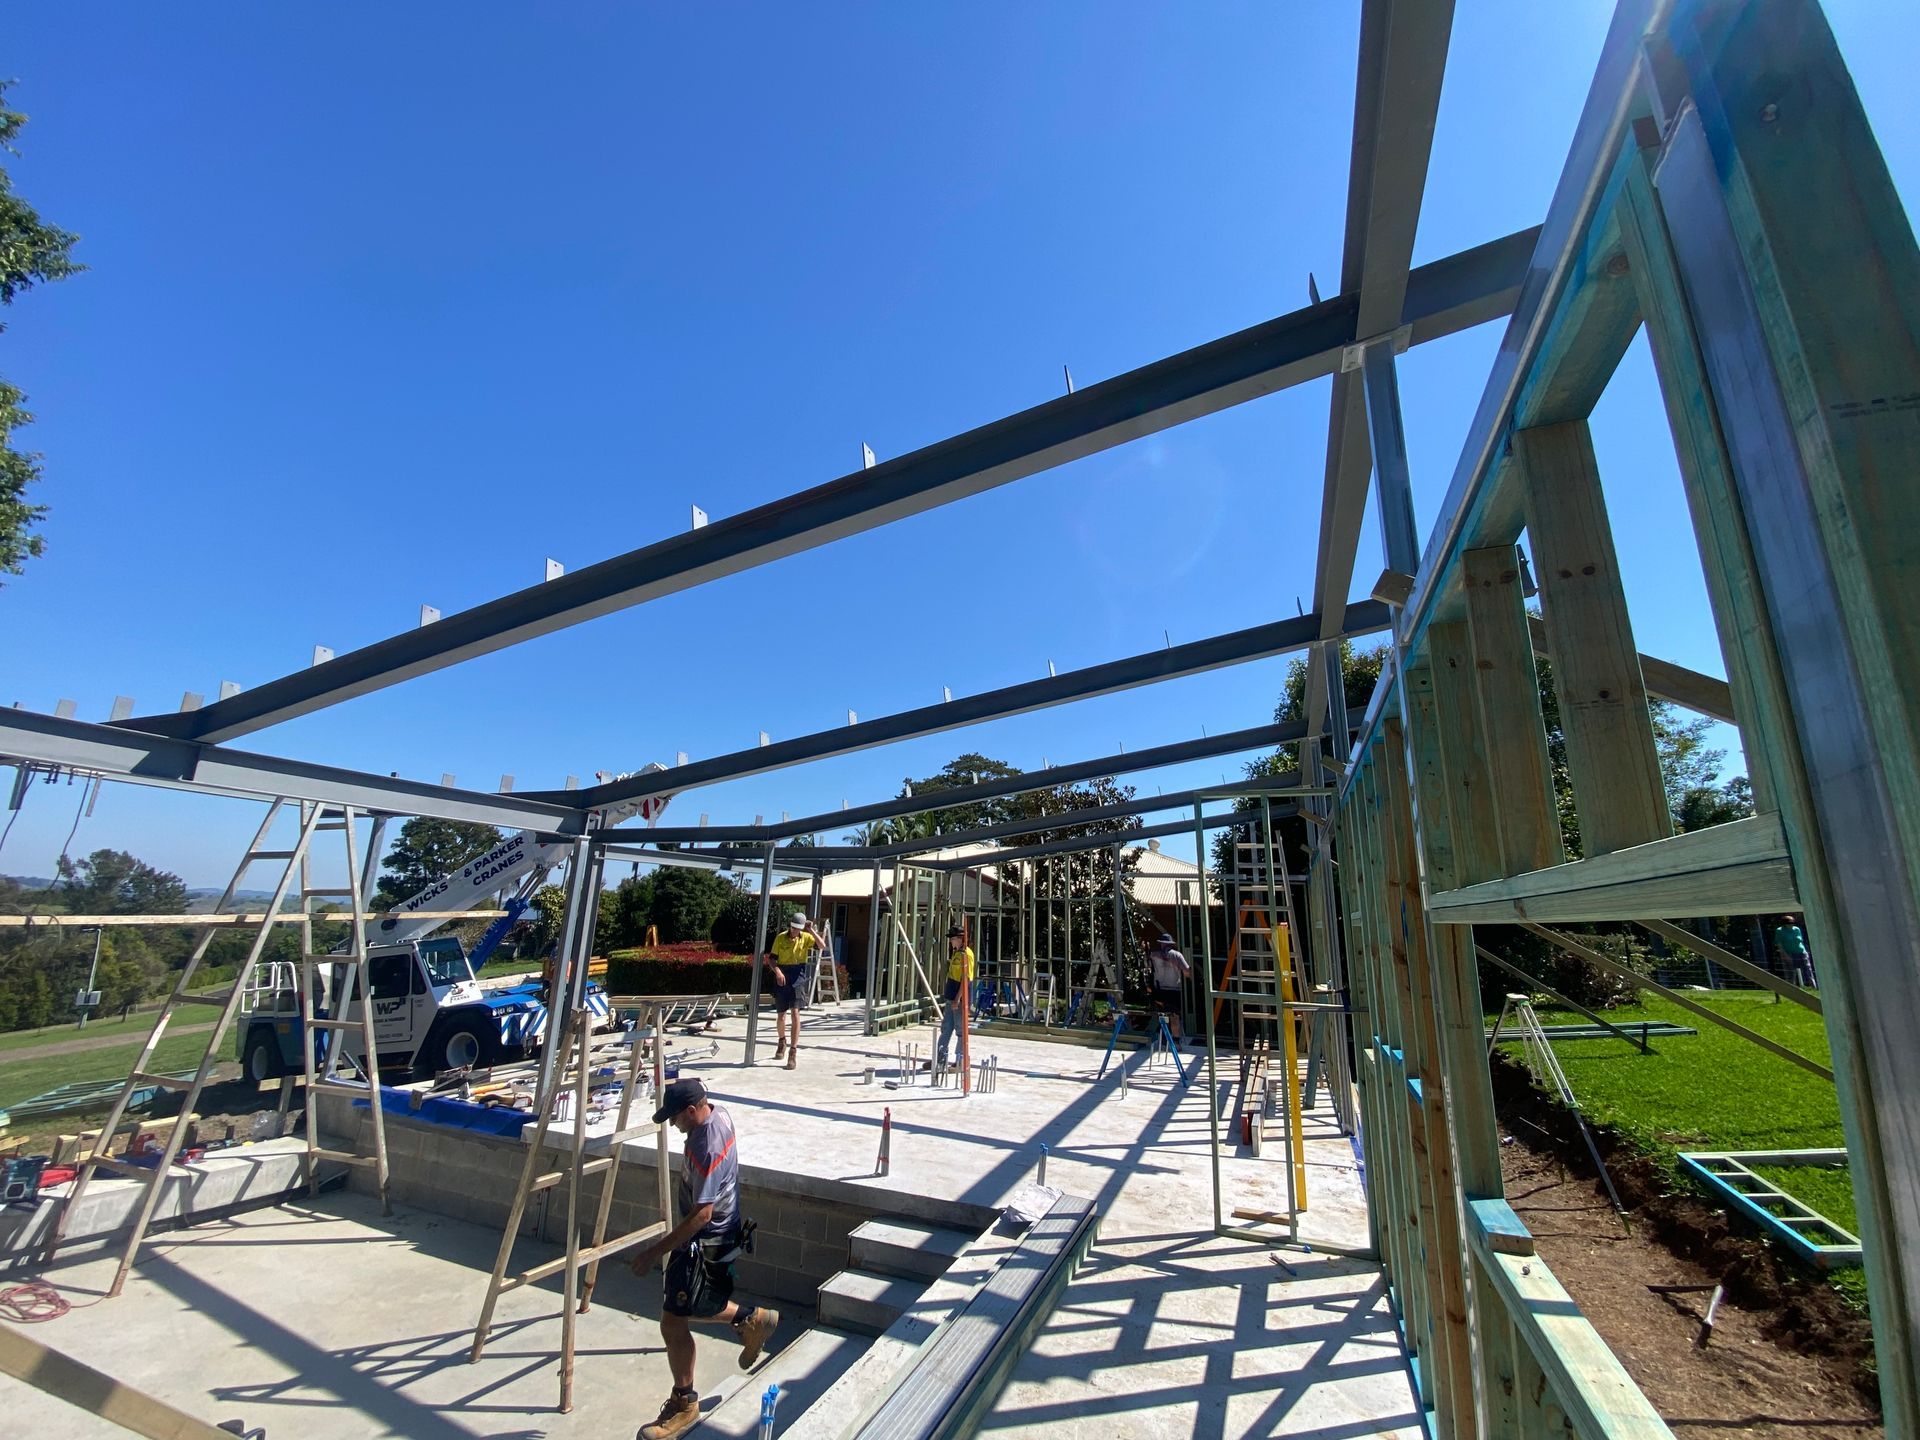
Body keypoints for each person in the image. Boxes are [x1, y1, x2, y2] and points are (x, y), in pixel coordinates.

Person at [630, 1077, 780, 1439]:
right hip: (722, 1231)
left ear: (693, 1110)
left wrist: (654, 1251)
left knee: (673, 1321)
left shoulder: (704, 1145)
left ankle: (685, 1403)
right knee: (691, 1305)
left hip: (704, 1239)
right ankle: (751, 1320)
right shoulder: (721, 1115)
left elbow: (702, 1214)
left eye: (677, 1117)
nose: (673, 1124)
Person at [767, 913, 822, 1070]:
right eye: (792, 928)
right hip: (783, 972)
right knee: (781, 1014)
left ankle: (793, 1050)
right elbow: (772, 958)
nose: (793, 931)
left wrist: (811, 931)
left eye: (797, 929)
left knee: (795, 1012)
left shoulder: (805, 937)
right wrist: (777, 971)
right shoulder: (781, 938)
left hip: (798, 974)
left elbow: (822, 945)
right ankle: (781, 1041)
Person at [936, 924, 974, 1069]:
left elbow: (966, 979)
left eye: (952, 938)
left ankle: (960, 1061)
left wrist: (958, 999)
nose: (951, 941)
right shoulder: (957, 953)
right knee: (946, 1028)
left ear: (959, 939)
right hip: (951, 997)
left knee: (960, 1030)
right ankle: (940, 1060)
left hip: (959, 999)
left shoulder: (966, 955)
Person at [1146, 934, 1192, 1043]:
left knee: (1161, 1015)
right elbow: (1187, 971)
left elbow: (1148, 967)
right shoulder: (1177, 955)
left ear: (1161, 943)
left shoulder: (1154, 955)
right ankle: (1176, 1042)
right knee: (1174, 1016)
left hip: (1160, 990)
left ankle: (1163, 1040)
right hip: (1174, 990)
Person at [1773, 914, 1815, 989]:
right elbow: (1779, 944)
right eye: (1789, 923)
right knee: (1790, 973)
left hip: (1801, 952)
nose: (1791, 924)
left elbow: (1800, 940)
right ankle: (1791, 989)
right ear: (1784, 924)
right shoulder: (1779, 931)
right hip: (1789, 953)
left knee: (1808, 970)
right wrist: (1785, 956)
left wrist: (1805, 952)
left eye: (1792, 923)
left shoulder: (1797, 929)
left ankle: (1813, 987)